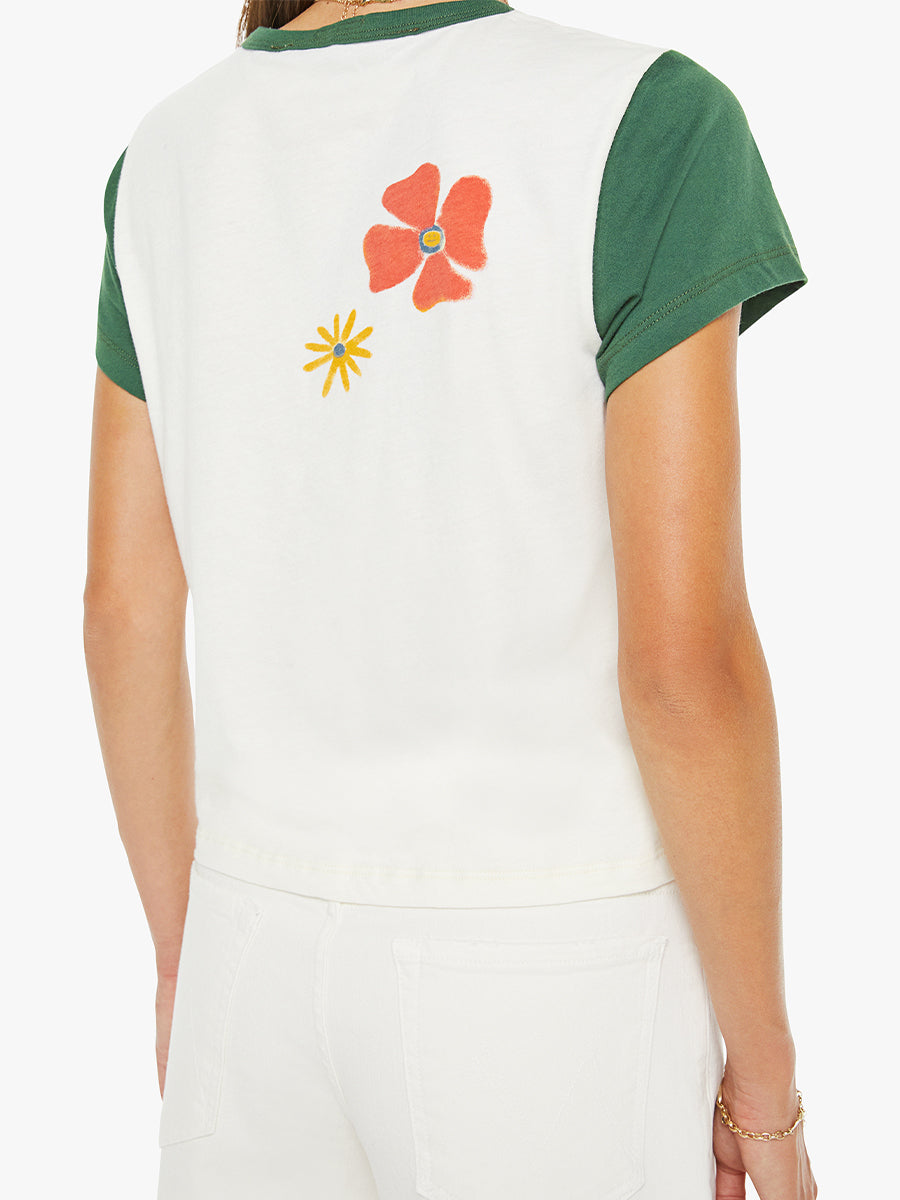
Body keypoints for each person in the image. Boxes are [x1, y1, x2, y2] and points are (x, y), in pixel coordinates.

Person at [83, 1, 817, 1197]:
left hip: (249, 941)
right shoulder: (645, 120)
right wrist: (767, 1089)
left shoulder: (164, 155)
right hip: (550, 957)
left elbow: (122, 613)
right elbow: (685, 665)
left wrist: (185, 957)